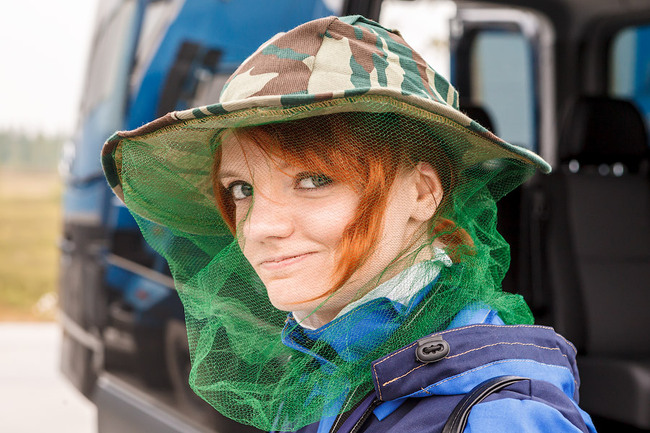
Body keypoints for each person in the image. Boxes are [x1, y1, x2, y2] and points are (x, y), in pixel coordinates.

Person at [101, 15, 596, 433]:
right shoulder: (344, 359)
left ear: (422, 193)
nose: (257, 228)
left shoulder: (498, 418)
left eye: (314, 179)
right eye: (241, 189)